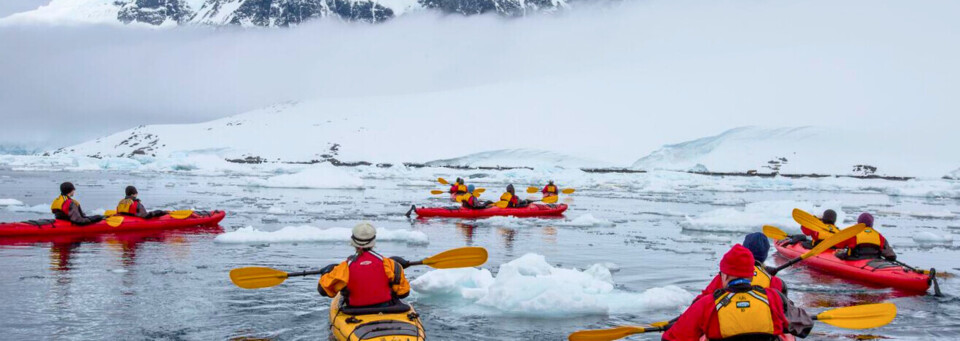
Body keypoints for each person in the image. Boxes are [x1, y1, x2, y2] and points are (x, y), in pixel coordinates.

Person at [663, 245, 813, 341]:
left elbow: (671, 339)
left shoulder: (707, 303)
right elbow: (804, 327)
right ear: (749, 275)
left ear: (725, 275)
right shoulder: (774, 297)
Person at [318, 222, 411, 308]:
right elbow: (403, 293)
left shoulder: (344, 267)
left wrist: (326, 273)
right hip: (386, 309)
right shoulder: (391, 264)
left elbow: (323, 290)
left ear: (353, 241)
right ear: (373, 241)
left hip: (355, 311)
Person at [693, 233, 787, 303]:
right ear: (765, 254)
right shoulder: (775, 281)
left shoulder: (725, 276)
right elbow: (785, 309)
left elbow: (700, 300)